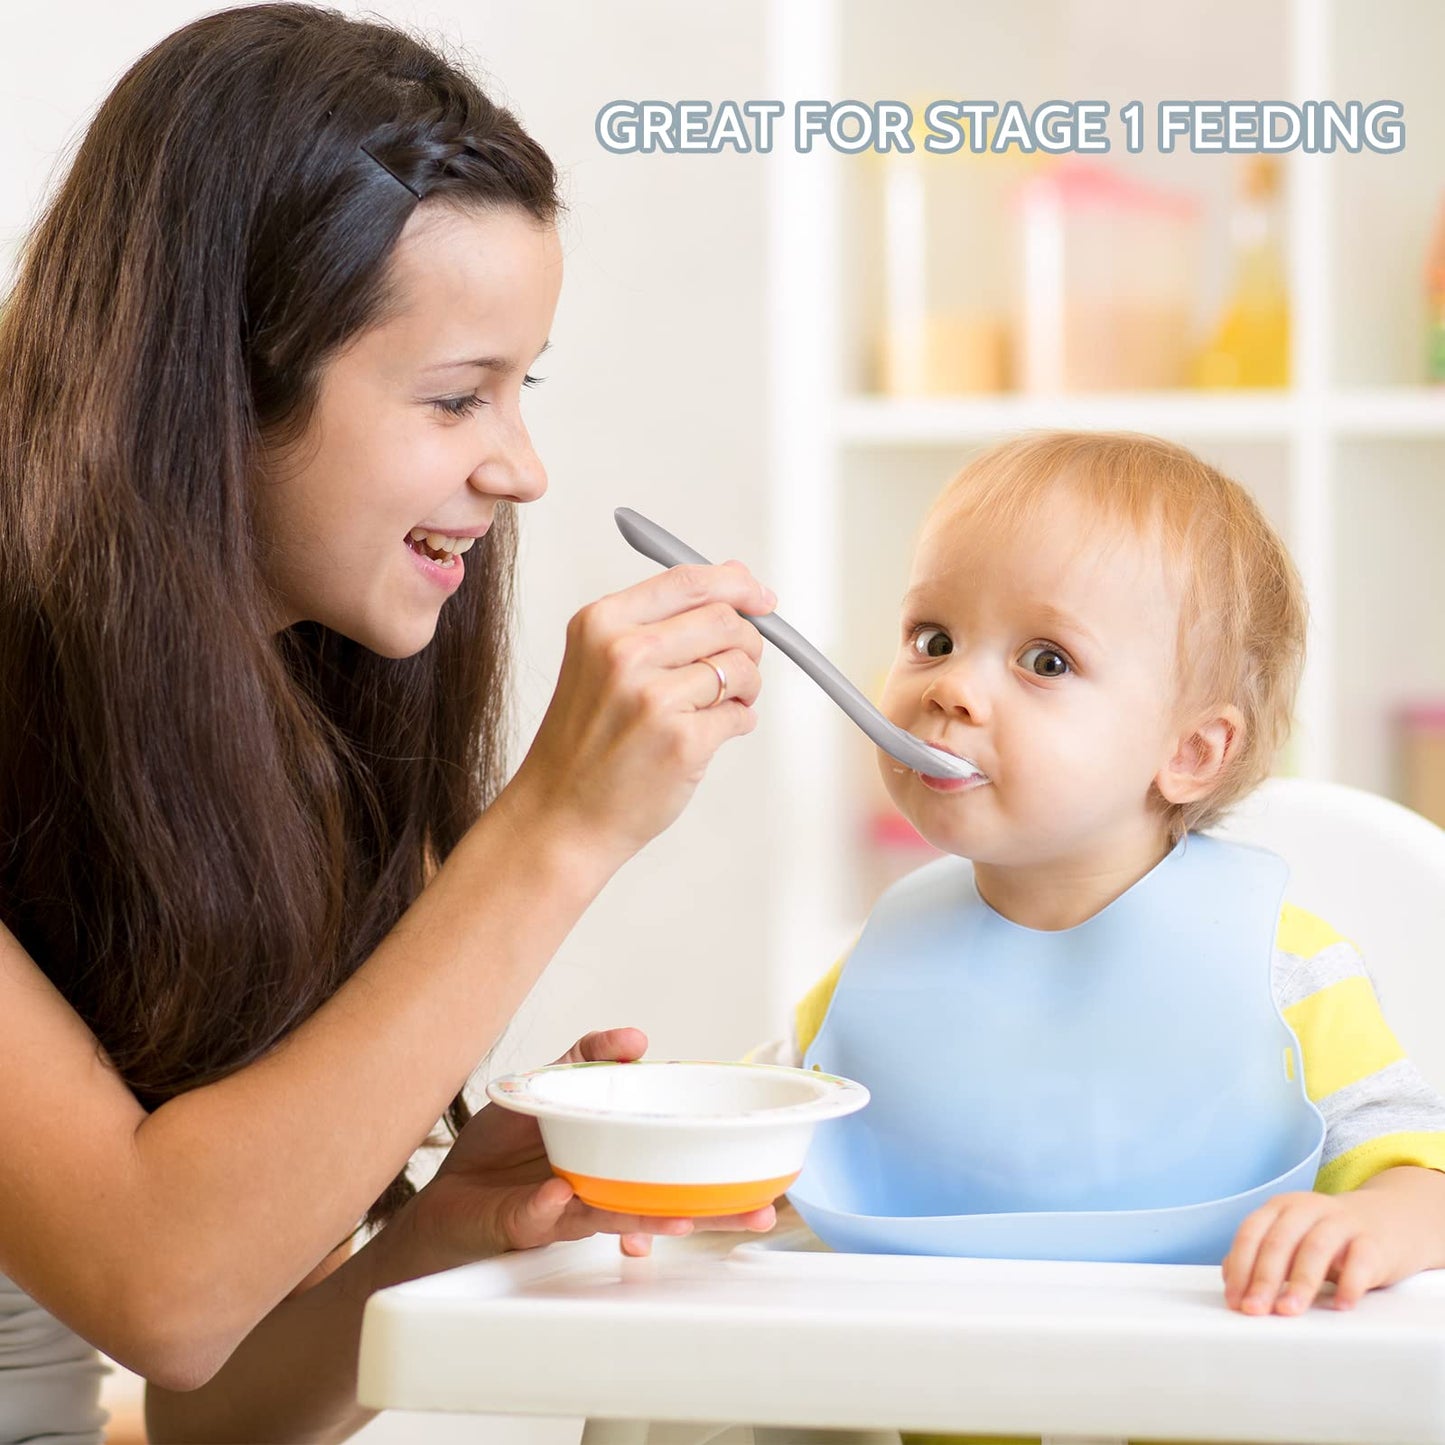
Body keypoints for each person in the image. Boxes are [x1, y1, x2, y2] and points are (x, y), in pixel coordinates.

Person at [0, 6, 780, 1442]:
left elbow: (205, 1406)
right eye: (453, 396)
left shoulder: (288, 740)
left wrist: (444, 1236)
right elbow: (160, 1286)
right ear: (217, 382)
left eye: (521, 387)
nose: (522, 467)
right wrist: (554, 830)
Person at [754, 430, 1445, 1319]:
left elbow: (1422, 1173)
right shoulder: (877, 966)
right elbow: (759, 1141)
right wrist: (639, 1133)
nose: (950, 688)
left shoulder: (1282, 970)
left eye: (1046, 660)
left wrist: (1373, 1222)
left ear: (1191, 751)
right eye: (933, 637)